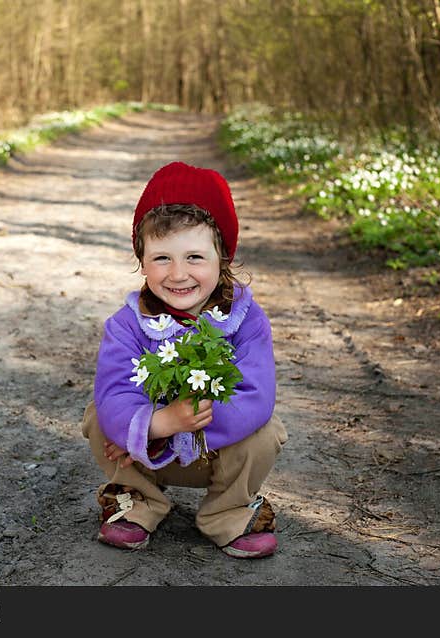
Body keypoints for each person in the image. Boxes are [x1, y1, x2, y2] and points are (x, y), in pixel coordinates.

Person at [81, 160, 288, 559]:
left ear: (222, 257)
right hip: (143, 454)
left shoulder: (246, 321)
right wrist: (154, 425)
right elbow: (116, 392)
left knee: (266, 429)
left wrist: (177, 428)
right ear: (142, 259)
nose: (178, 274)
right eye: (162, 258)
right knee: (100, 416)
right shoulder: (129, 324)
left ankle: (228, 511)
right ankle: (137, 501)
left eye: (195, 257)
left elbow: (254, 396)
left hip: (215, 449)